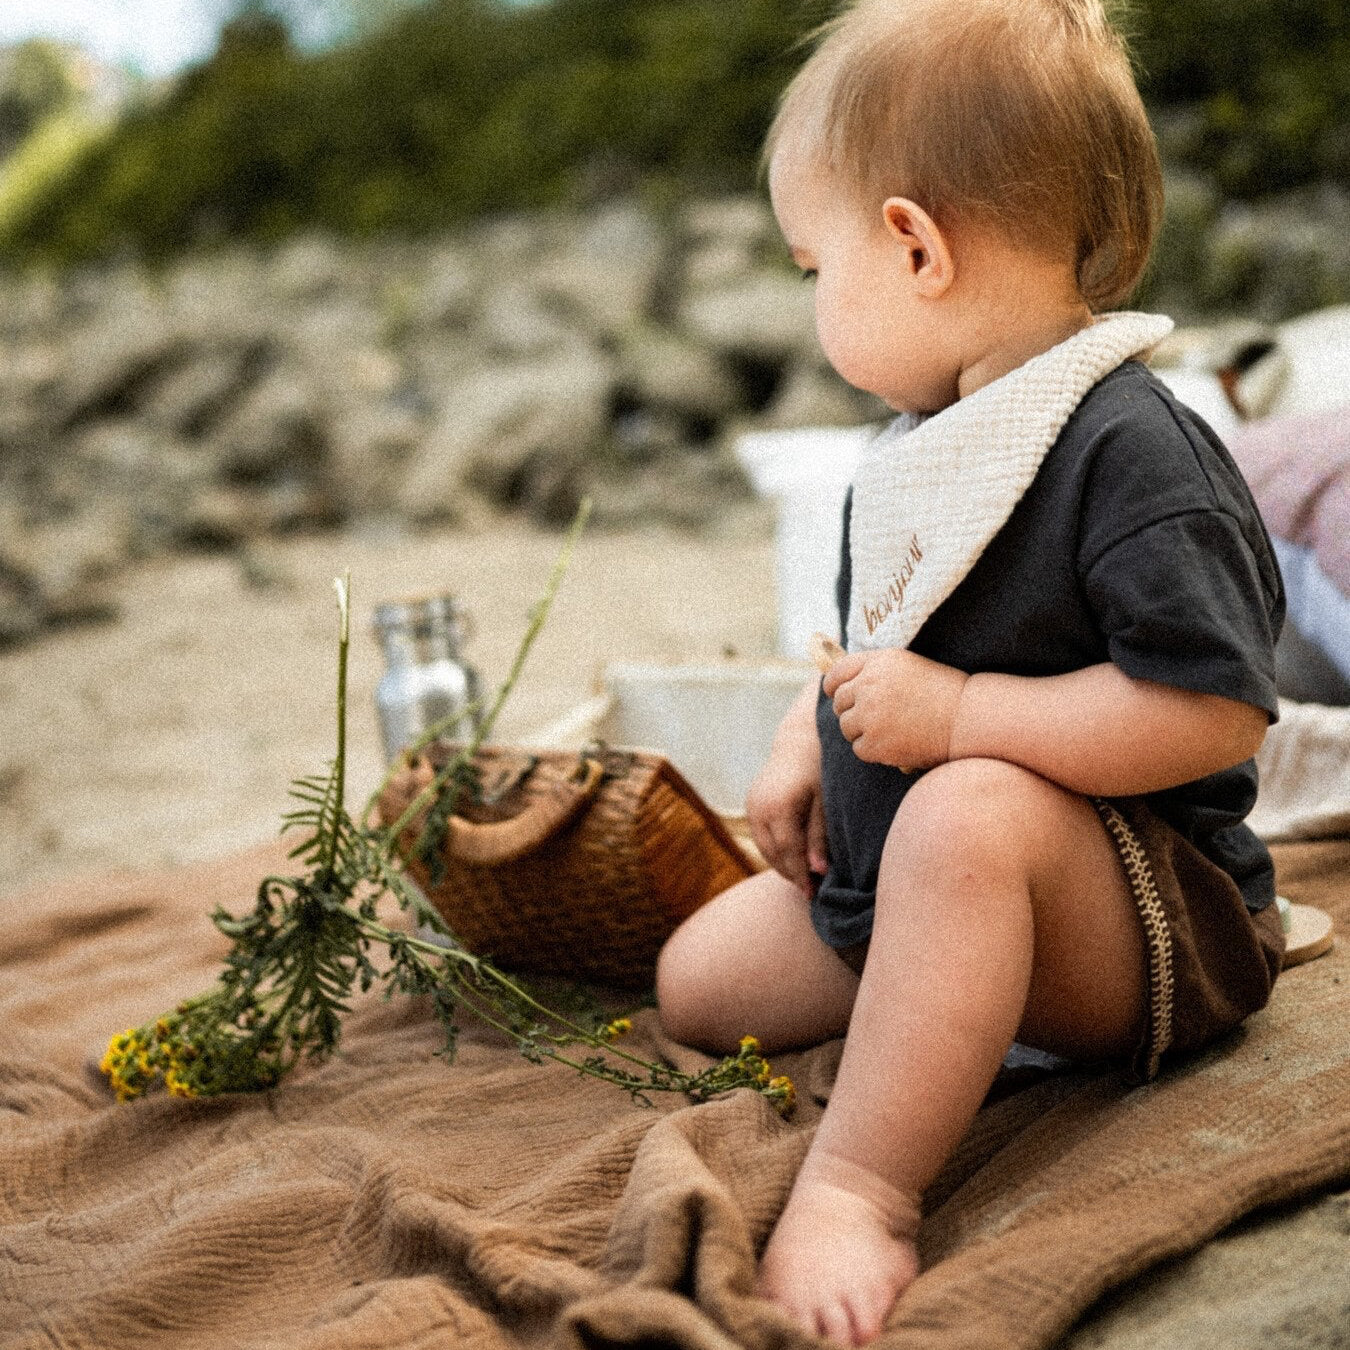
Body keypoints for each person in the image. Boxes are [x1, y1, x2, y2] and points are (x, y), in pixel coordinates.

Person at [654, 0, 1287, 1344]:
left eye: (809, 264)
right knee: (697, 983)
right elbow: (891, 635)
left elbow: (1213, 704)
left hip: (1139, 917)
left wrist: (960, 719)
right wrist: (799, 733)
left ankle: (861, 1183)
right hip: (916, 889)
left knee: (962, 812)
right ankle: (947, 1008)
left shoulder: (1130, 450)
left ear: (911, 245)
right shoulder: (936, 436)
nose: (813, 294)